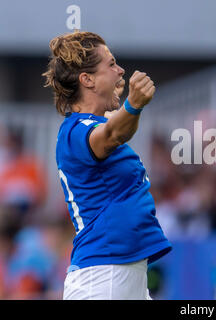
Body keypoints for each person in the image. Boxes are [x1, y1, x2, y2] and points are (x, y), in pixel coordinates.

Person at [42, 31, 172, 300]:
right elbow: (113, 134)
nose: (120, 70)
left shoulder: (93, 124)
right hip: (103, 275)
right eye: (111, 64)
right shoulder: (74, 131)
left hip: (124, 274)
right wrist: (133, 104)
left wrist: (120, 107)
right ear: (87, 79)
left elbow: (116, 126)